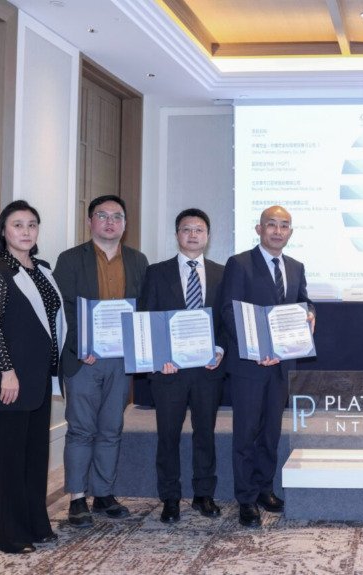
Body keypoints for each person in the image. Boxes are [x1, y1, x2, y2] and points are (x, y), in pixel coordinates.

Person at [54, 195, 149, 527]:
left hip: (121, 360)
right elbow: (63, 307)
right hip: (84, 359)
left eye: (117, 216)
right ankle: (77, 498)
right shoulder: (69, 259)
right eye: (102, 215)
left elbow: (144, 309)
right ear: (90, 221)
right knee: (81, 430)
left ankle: (103, 494)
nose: (110, 222)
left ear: (125, 223)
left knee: (111, 428)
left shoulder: (138, 260)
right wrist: (84, 345)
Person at [217, 205, 315, 527]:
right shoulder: (239, 264)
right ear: (259, 229)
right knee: (246, 432)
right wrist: (256, 350)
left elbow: (302, 301)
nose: (277, 230)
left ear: (290, 232)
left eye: (284, 225)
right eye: (271, 224)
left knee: (271, 432)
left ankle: (264, 489)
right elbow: (229, 311)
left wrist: (310, 314)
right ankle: (245, 499)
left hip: (281, 366)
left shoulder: (296, 266)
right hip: (250, 365)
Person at [0, 200, 66, 554]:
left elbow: (53, 321)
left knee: (35, 456)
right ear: (4, 231)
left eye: (32, 224)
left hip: (40, 377)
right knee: (12, 459)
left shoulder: (42, 268)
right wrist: (7, 372)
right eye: (18, 225)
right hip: (12, 380)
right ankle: (10, 535)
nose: (26, 231)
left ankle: (36, 524)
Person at [139, 208, 226, 524]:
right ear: (177, 235)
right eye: (187, 229)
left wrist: (220, 349)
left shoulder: (221, 273)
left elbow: (226, 321)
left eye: (199, 229)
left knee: (205, 433)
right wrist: (158, 358)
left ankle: (204, 495)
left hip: (207, 371)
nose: (193, 234)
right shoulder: (156, 272)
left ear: (207, 236)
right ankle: (170, 498)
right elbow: (148, 319)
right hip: (169, 371)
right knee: (168, 436)